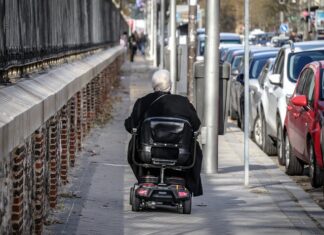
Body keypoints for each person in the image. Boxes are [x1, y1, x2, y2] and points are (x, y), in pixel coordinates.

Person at [124, 69, 203, 197]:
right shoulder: (183, 102)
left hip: (148, 154)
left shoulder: (143, 102)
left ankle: (147, 175)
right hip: (179, 156)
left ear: (153, 85)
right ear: (170, 84)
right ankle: (185, 181)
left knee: (134, 141)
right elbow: (196, 125)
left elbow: (130, 126)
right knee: (195, 146)